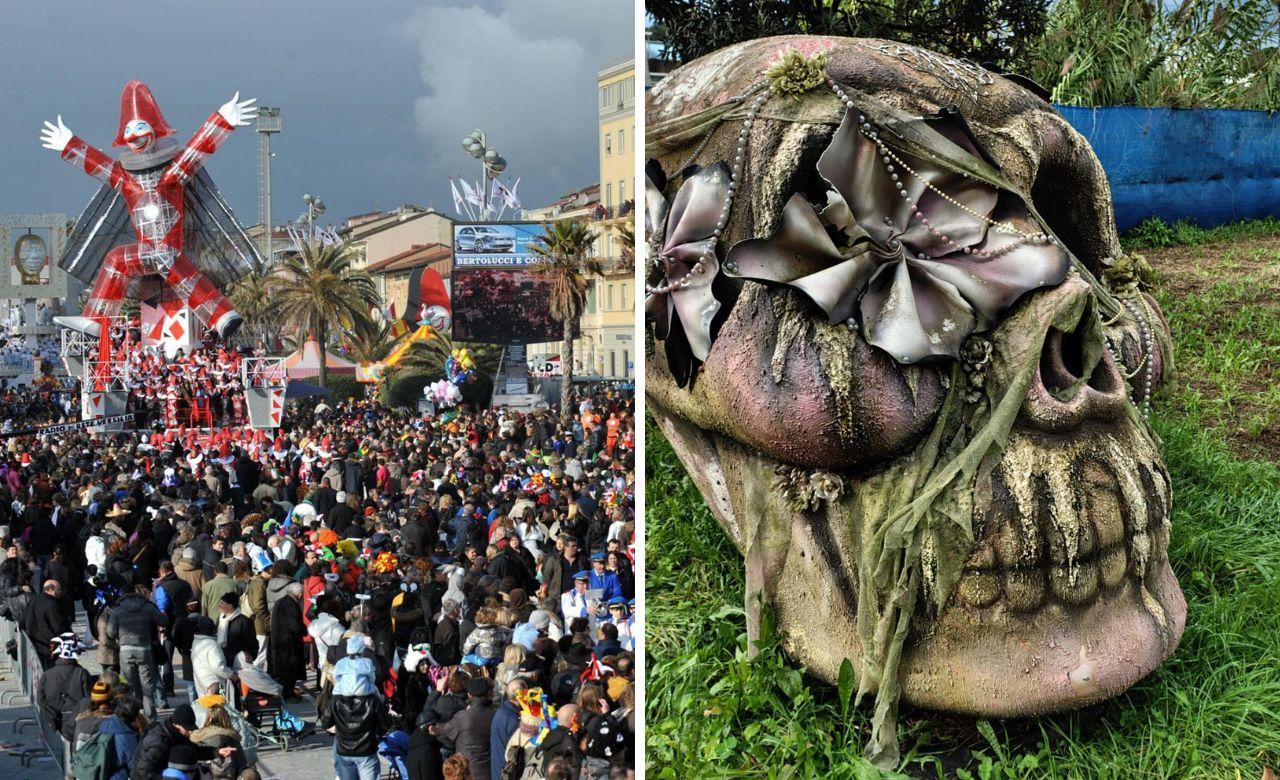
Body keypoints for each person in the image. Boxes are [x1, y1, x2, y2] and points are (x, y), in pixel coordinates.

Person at [318, 640, 389, 780]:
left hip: (344, 750)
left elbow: (325, 723)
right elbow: (386, 724)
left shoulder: (336, 700)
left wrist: (339, 727)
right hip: (367, 751)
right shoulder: (372, 699)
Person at [108, 583, 165, 718]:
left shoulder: (118, 610)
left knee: (129, 684)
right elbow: (163, 620)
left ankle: (132, 715)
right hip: (145, 649)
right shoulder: (147, 607)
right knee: (147, 685)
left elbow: (110, 632)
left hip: (126, 650)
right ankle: (150, 716)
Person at [40, 632, 91, 772]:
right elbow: (88, 699)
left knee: (63, 755)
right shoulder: (82, 673)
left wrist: (51, 718)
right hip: (78, 720)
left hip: (56, 721)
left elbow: (41, 700)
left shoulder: (47, 675)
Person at [439, 676, 495, 780]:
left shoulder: (463, 717)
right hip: (488, 771)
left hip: (466, 771)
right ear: (489, 694)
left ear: (469, 695)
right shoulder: (494, 714)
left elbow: (442, 733)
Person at [267, 581, 306, 699]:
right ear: (299, 595)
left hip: (278, 641)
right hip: (289, 644)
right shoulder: (292, 605)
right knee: (290, 670)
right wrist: (304, 630)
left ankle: (286, 692)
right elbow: (295, 626)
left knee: (282, 670)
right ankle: (288, 694)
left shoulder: (280, 601)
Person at [24, 579, 70, 668]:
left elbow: (22, 620)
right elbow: (60, 628)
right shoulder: (53, 605)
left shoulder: (34, 600)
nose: (61, 592)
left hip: (34, 646)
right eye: (58, 589)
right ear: (50, 590)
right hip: (49, 649)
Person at [489, 678, 527, 780]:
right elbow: (516, 753)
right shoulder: (514, 720)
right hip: (507, 773)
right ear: (520, 695)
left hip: (498, 770)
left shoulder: (500, 712)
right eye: (526, 693)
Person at [190, 615, 234, 697]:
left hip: (201, 682)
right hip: (213, 686)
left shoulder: (196, 641)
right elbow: (217, 667)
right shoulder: (211, 644)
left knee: (205, 707)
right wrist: (231, 675)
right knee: (215, 709)